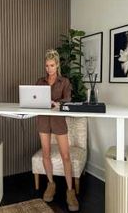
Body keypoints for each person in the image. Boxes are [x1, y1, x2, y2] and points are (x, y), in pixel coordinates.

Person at [36, 49, 79, 212]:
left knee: (65, 156)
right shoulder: (40, 81)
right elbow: (35, 97)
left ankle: (70, 191)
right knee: (45, 153)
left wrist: (57, 103)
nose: (49, 69)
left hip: (58, 120)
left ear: (57, 65)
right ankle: (51, 184)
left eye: (52, 65)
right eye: (47, 66)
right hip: (43, 120)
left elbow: (68, 98)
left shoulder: (64, 81)